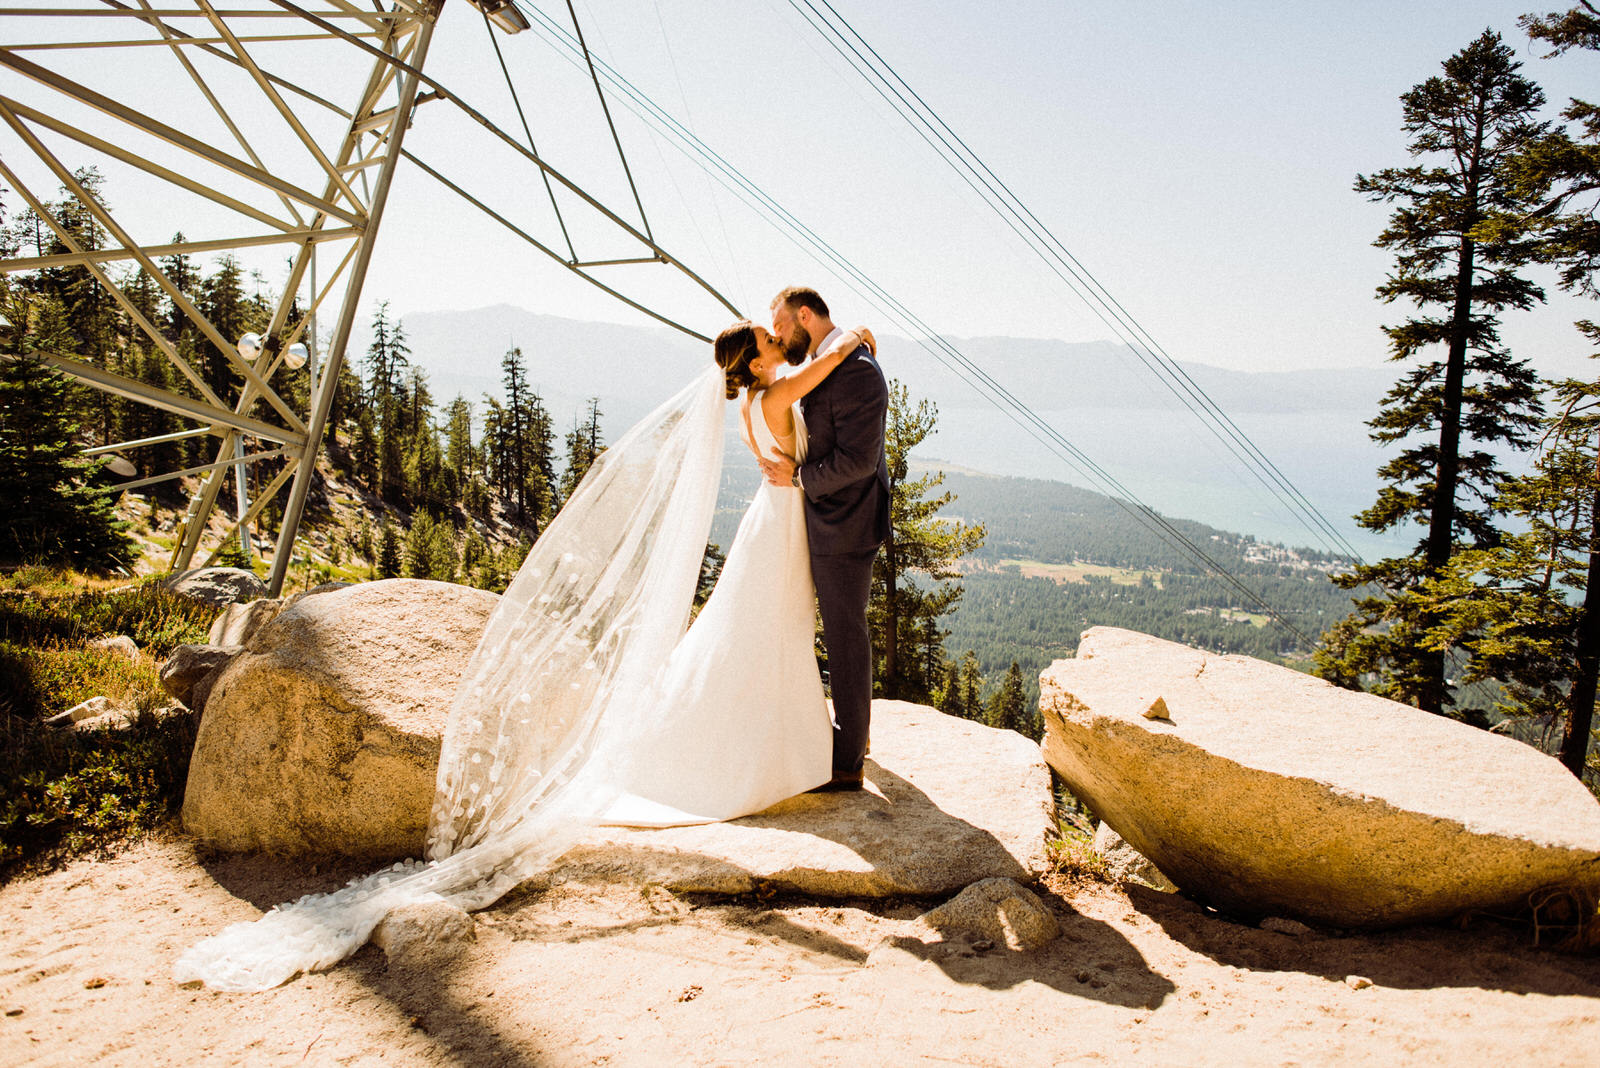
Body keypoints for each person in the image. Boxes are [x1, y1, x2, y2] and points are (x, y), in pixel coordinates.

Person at [604, 317, 875, 824]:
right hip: (784, 519)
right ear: (755, 362)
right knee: (781, 629)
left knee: (768, 628)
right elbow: (832, 360)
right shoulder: (773, 397)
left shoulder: (754, 402)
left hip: (772, 514)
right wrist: (857, 335)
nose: (779, 342)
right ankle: (790, 744)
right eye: (770, 341)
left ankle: (799, 736)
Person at [758, 287, 891, 792]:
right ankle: (855, 735)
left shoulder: (857, 369)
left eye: (781, 323)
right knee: (834, 629)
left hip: (847, 521)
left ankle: (848, 760)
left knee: (844, 634)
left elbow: (858, 461)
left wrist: (797, 479)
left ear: (805, 316)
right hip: (821, 516)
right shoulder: (828, 359)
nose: (777, 334)